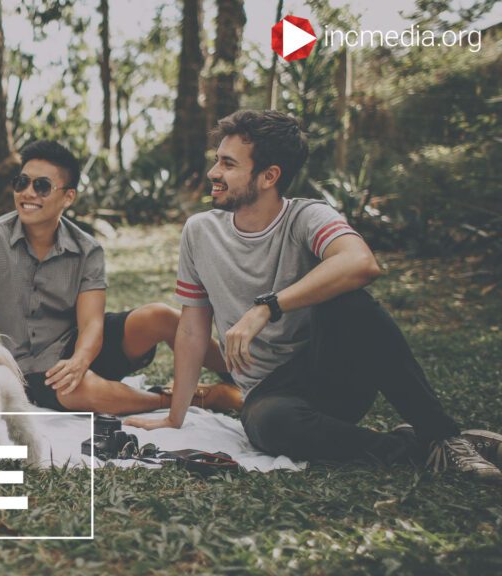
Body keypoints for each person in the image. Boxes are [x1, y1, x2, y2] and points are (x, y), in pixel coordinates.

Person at [125, 110, 502, 482]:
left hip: (333, 374)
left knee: (351, 301)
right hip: (269, 395)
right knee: (271, 426)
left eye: (227, 163)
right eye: (216, 161)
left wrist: (267, 307)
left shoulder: (308, 217)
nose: (213, 173)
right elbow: (192, 330)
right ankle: (414, 449)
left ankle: (443, 436)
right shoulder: (200, 232)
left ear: (270, 175)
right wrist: (176, 417)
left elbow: (361, 262)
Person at [0, 139, 238, 415]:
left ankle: (241, 375)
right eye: (22, 182)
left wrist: (79, 360)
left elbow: (91, 323)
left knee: (160, 316)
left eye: (41, 186)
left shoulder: (87, 249)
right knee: (81, 390)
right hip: (31, 368)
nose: (28, 193)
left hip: (82, 346)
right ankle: (199, 398)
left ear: (68, 197)